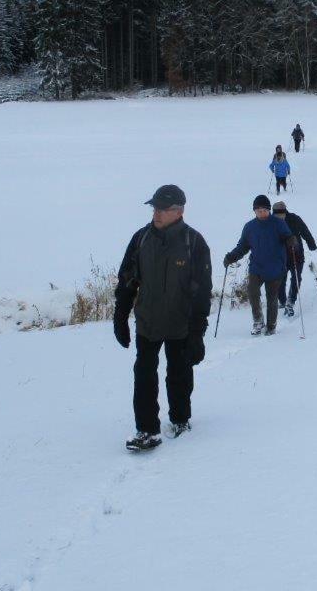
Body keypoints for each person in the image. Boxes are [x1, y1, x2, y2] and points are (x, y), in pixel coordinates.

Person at [113, 184, 213, 452]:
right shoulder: (141, 239)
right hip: (148, 321)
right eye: (154, 207)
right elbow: (126, 279)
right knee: (144, 375)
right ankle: (146, 429)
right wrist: (120, 316)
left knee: (179, 374)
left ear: (179, 211)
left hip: (181, 324)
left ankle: (180, 419)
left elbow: (202, 291)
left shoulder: (194, 242)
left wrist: (197, 332)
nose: (156, 213)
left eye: (162, 209)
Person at [223, 194, 295, 336]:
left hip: (275, 267)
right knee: (253, 292)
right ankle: (258, 321)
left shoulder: (278, 224)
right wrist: (232, 256)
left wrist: (290, 240)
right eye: (259, 211)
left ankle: (271, 326)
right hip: (256, 267)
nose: (262, 213)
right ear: (254, 211)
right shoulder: (250, 227)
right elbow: (243, 246)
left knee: (272, 298)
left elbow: (287, 237)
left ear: (269, 210)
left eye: (264, 210)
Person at [272, 201, 317, 318]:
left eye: (282, 213)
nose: (280, 216)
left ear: (285, 211)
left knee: (296, 277)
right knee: (280, 279)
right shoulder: (270, 222)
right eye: (277, 213)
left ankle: (291, 301)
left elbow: (305, 232)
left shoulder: (294, 219)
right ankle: (282, 301)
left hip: (296, 254)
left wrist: (312, 245)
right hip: (280, 257)